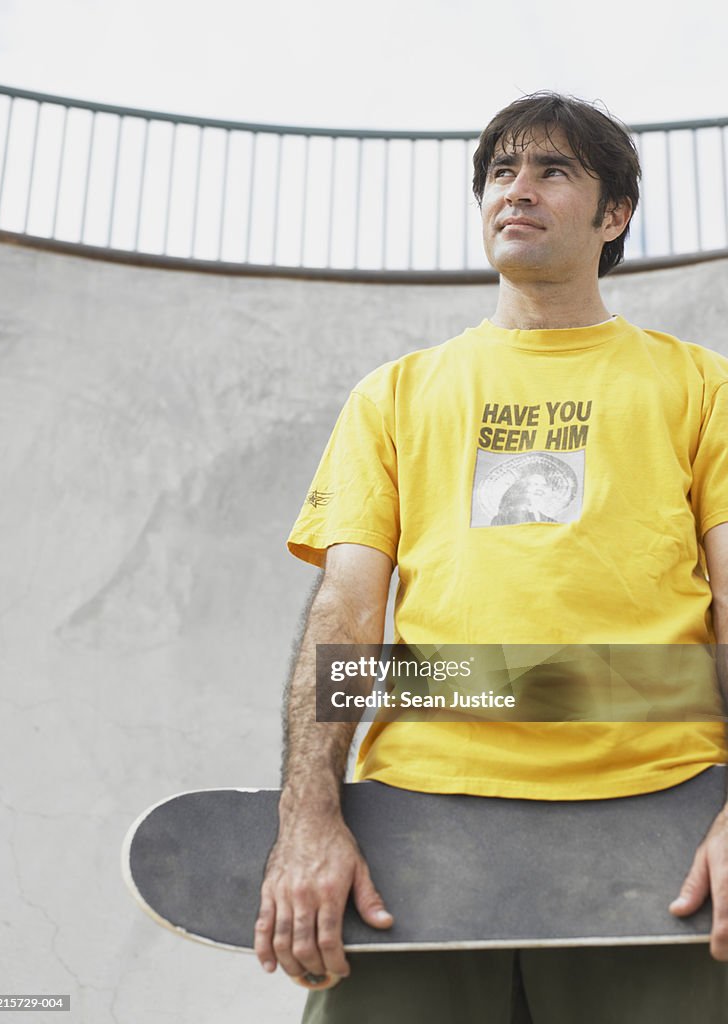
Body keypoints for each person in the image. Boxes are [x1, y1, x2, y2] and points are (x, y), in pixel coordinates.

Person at [253, 92, 728, 1022]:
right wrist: (308, 817)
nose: (517, 191)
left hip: (663, 821)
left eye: (553, 171)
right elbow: (346, 615)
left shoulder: (700, 386)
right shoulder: (395, 394)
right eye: (501, 173)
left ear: (615, 214)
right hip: (421, 826)